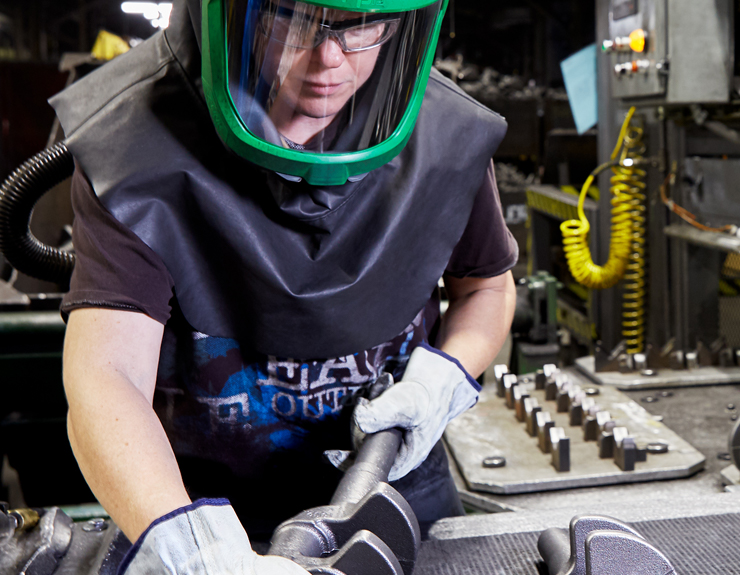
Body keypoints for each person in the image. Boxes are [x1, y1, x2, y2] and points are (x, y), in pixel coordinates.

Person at [49, 0, 514, 571]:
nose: (328, 60)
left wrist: (445, 376)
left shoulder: (444, 133)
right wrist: (196, 551)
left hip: (394, 491)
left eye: (361, 26)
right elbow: (107, 374)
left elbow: (485, 288)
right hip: (209, 513)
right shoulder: (129, 144)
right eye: (294, 21)